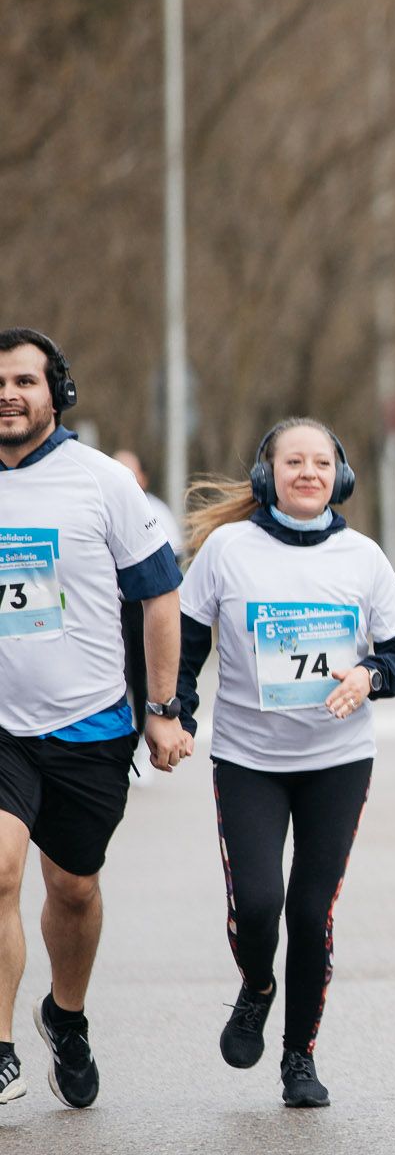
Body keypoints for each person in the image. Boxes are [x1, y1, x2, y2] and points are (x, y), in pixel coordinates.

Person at [173, 419, 395, 1107]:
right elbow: (185, 641)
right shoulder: (227, 550)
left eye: (321, 463)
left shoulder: (364, 558)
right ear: (267, 474)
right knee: (259, 904)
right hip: (248, 758)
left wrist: (369, 675)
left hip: (337, 759)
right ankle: (257, 986)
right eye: (293, 462)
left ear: (340, 476)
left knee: (310, 913)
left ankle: (298, 1057)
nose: (308, 473)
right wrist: (174, 712)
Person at [0, 328, 186, 1110]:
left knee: (72, 887)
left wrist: (164, 709)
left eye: (23, 380)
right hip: (2, 727)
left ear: (57, 391)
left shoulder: (102, 482)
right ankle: (0, 1048)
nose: (8, 394)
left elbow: (160, 597)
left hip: (87, 723)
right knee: (0, 871)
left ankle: (65, 1016)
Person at [113, 450, 184, 785]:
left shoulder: (156, 511)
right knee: (119, 676)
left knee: (142, 675)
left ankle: (143, 738)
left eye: (130, 472)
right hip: (110, 607)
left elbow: (173, 562)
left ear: (142, 477)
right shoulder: (98, 505)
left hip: (144, 605)